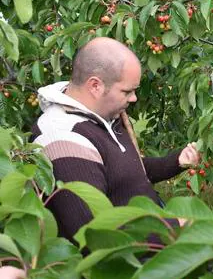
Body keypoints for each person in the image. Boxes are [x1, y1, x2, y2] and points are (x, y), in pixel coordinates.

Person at [31, 37, 200, 243]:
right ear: (95, 86)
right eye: (127, 91)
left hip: (153, 231)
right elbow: (92, 234)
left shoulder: (105, 113)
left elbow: (125, 172)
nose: (134, 98)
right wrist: (176, 227)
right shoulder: (63, 136)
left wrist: (176, 162)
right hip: (128, 261)